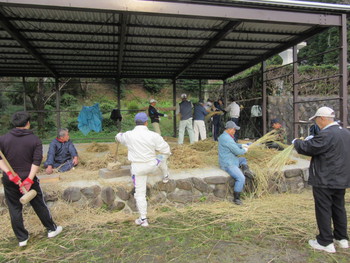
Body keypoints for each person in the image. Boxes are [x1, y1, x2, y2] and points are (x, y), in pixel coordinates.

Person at [0, 111, 62, 247]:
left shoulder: (3, 139)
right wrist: (29, 179)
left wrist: (9, 174)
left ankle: (22, 238)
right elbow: (36, 161)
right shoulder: (34, 140)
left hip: (11, 179)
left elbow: (0, 159)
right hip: (28, 177)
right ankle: (51, 229)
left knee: (14, 208)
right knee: (39, 204)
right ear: (28, 123)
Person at [293, 106, 350, 253]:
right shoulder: (345, 133)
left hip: (325, 178)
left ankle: (325, 242)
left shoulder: (327, 134)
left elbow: (309, 148)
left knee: (324, 208)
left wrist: (296, 142)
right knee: (338, 207)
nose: (316, 123)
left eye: (317, 120)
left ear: (323, 118)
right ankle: (342, 238)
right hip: (341, 178)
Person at [116, 112, 171, 227]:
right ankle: (166, 175)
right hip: (152, 165)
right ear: (146, 122)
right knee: (162, 157)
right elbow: (166, 150)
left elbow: (118, 137)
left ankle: (143, 219)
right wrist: (162, 156)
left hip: (137, 168)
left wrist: (120, 134)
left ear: (135, 122)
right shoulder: (153, 135)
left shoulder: (128, 135)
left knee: (140, 193)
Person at [218, 121, 254, 205]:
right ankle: (236, 198)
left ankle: (245, 170)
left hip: (231, 159)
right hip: (228, 164)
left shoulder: (225, 136)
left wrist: (242, 145)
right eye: (234, 129)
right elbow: (237, 151)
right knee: (241, 178)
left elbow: (234, 145)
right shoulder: (227, 139)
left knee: (243, 160)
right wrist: (244, 150)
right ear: (230, 129)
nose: (235, 131)